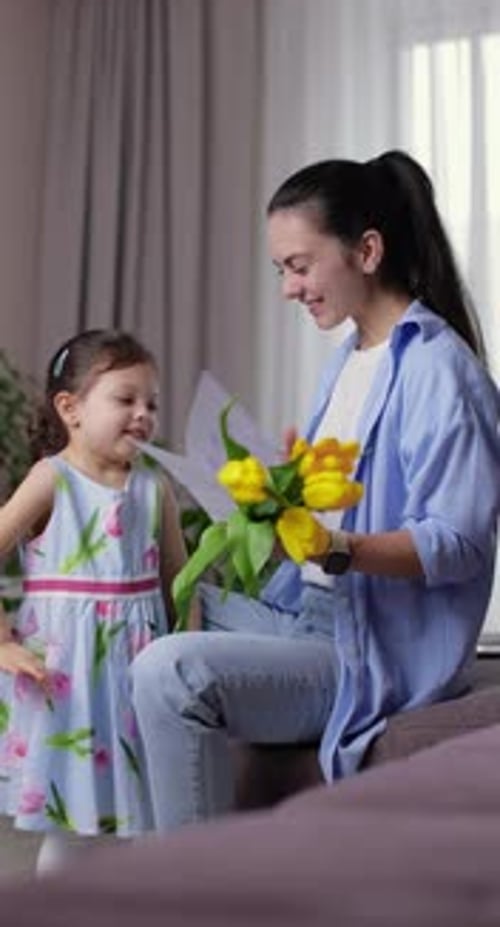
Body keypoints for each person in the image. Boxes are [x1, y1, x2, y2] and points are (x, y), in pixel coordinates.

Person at [131, 150, 500, 831]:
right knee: (139, 602)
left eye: (299, 266)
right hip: (305, 612)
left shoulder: (440, 371)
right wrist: (283, 492)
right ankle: (84, 834)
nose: (288, 288)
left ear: (366, 250)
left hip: (364, 647)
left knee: (169, 671)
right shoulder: (349, 358)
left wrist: (338, 546)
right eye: (281, 271)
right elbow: (340, 500)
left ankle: (192, 885)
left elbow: (460, 543)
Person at [0, 329, 193, 873]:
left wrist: (190, 659)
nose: (143, 414)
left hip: (138, 674)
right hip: (69, 682)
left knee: (149, 813)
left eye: (151, 403)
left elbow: (181, 585)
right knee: (75, 820)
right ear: (71, 409)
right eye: (125, 399)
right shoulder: (51, 480)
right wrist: (4, 643)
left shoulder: (154, 490)